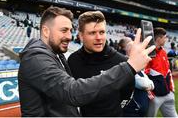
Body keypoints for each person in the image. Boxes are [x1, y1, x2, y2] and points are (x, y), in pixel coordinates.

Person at [18, 6, 155, 117]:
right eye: (64, 30)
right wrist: (129, 67)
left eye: (70, 31)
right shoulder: (36, 58)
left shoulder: (54, 55)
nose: (69, 36)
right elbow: (73, 92)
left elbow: (126, 93)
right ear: (46, 31)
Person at [68, 11, 134, 116]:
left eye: (102, 32)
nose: (99, 38)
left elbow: (126, 96)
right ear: (81, 36)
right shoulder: (73, 60)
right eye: (92, 33)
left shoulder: (121, 61)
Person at [145, 27, 178, 117]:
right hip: (155, 96)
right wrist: (150, 94)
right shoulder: (148, 53)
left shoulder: (163, 51)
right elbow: (144, 75)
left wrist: (171, 90)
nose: (166, 39)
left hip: (168, 94)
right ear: (159, 39)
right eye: (164, 37)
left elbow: (168, 71)